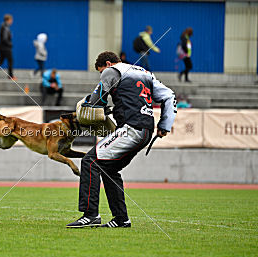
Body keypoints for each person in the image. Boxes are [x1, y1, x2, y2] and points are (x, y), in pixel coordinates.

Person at [66, 51, 176, 228]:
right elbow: (169, 96)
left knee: (90, 161)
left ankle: (90, 214)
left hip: (131, 129)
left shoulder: (112, 71)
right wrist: (164, 125)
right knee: (108, 168)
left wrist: (85, 107)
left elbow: (96, 101)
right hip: (146, 131)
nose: (102, 76)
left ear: (108, 64)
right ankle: (121, 219)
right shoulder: (146, 74)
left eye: (101, 72)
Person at [0, 14, 16, 80]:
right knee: (10, 61)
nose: (12, 21)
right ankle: (10, 76)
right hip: (6, 47)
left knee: (1, 61)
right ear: (8, 20)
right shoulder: (5, 27)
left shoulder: (3, 26)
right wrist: (10, 44)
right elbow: (5, 38)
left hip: (2, 47)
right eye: (11, 20)